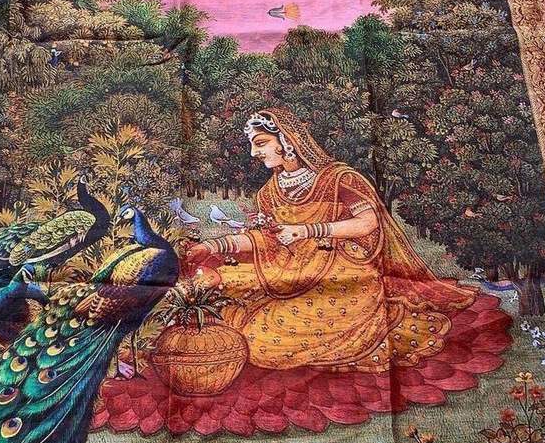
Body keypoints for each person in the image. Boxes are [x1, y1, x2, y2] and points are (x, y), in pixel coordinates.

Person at [184, 107, 477, 374]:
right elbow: (267, 239)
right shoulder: (269, 193)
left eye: (260, 143)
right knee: (223, 287)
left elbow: (368, 223)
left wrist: (307, 231)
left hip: (343, 270)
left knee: (259, 342)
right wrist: (212, 246)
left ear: (287, 140)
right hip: (289, 268)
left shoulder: (339, 178)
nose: (253, 153)